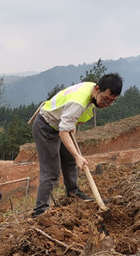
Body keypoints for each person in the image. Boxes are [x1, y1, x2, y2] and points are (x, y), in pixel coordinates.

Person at [31, 73, 123, 217]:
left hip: (59, 124)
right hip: (46, 126)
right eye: (105, 99)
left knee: (70, 160)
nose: (106, 104)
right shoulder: (78, 102)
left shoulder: (91, 90)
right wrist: (78, 156)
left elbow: (69, 119)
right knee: (51, 170)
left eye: (111, 102)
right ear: (97, 89)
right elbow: (63, 132)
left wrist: (71, 122)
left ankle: (73, 193)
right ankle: (40, 210)